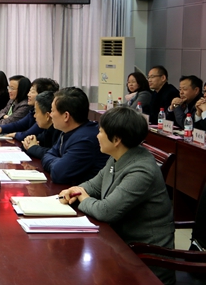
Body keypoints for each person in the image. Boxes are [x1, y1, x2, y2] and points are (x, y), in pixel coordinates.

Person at [58, 107, 175, 285]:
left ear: (117, 140)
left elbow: (105, 211)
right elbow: (93, 186)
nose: (97, 136)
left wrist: (82, 197)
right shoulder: (117, 157)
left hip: (145, 261)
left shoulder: (141, 170)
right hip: (118, 247)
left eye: (101, 132)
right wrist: (75, 190)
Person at [41, 87, 107, 184]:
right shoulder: (67, 131)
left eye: (52, 111)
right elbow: (47, 155)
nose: (50, 115)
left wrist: (59, 163)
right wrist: (59, 161)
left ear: (66, 116)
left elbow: (58, 173)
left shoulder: (85, 140)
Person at [0, 78, 59, 142]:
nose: (28, 94)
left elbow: (27, 135)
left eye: (32, 92)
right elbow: (18, 124)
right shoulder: (32, 110)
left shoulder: (43, 116)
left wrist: (16, 135)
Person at [21, 91, 61, 159]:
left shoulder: (59, 131)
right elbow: (32, 145)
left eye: (36, 112)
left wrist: (33, 147)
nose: (34, 116)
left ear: (47, 116)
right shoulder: (47, 129)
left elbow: (54, 154)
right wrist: (28, 142)